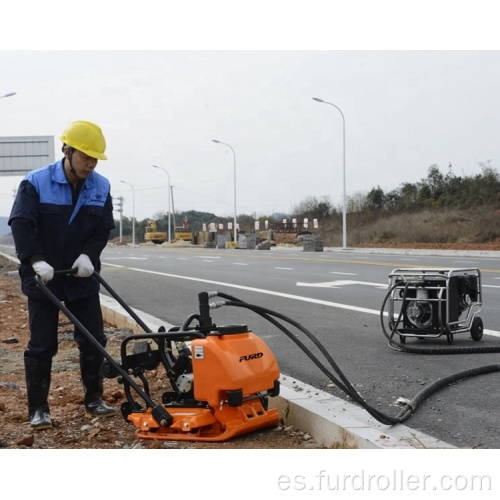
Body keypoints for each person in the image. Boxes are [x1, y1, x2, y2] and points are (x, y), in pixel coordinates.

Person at [8, 120, 117, 430]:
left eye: (95, 158)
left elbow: (101, 228)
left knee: (94, 338)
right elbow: (21, 224)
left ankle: (94, 400)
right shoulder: (36, 182)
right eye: (85, 156)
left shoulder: (101, 186)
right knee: (43, 344)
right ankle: (38, 410)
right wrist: (35, 260)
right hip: (43, 275)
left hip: (80, 273)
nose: (91, 164)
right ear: (67, 151)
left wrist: (89, 256)